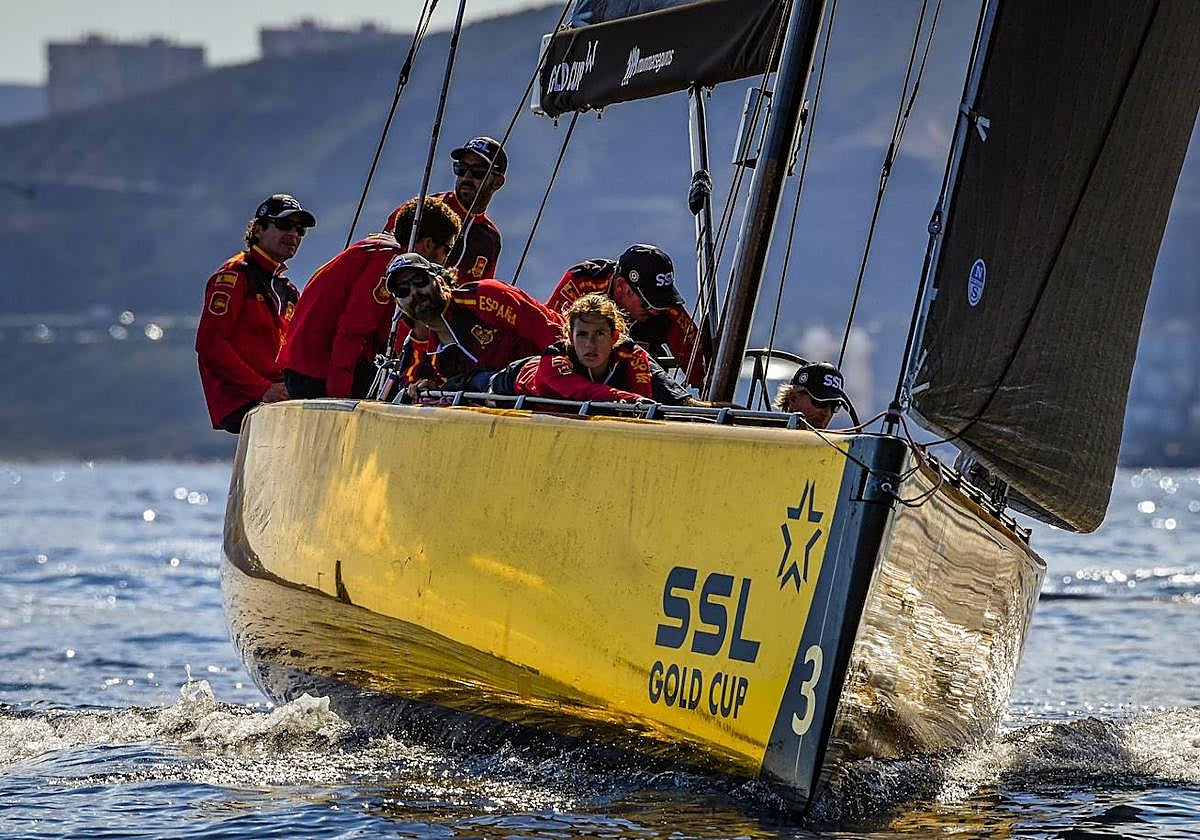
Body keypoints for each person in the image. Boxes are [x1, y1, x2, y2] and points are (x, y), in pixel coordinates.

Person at [280, 196, 461, 399]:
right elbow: (353, 331)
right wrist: (338, 398)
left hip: (310, 363)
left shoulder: (378, 248)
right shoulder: (390, 265)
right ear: (427, 244)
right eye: (447, 250)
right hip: (316, 371)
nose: (445, 260)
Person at [196, 194, 315, 433]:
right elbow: (209, 343)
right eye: (284, 225)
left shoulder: (288, 290)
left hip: (278, 396)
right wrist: (262, 389)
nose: (293, 234)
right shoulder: (234, 276)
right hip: (247, 401)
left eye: (300, 229)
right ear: (258, 230)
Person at [383, 253, 562, 394]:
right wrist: (429, 388)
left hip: (555, 384)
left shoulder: (485, 296)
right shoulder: (425, 350)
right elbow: (414, 385)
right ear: (399, 304)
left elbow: (550, 333)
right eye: (402, 290)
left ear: (439, 281)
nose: (414, 292)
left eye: (419, 281)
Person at [546, 244, 710, 393]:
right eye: (647, 303)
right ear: (620, 287)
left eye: (661, 303)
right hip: (571, 383)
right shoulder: (582, 282)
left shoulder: (667, 308)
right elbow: (547, 335)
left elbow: (698, 357)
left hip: (636, 387)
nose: (655, 311)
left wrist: (707, 385)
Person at [385, 136, 505, 285]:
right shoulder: (423, 209)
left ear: (497, 182)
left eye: (478, 172)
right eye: (461, 169)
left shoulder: (491, 239)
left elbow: (482, 291)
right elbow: (381, 255)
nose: (466, 177)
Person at [494, 294, 654, 403]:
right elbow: (583, 391)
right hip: (508, 386)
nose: (590, 344)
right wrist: (629, 399)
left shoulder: (632, 355)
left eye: (599, 334)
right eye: (582, 334)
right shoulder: (553, 362)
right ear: (570, 338)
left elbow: (643, 402)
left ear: (614, 337)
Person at [775, 361, 849, 430]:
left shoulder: (838, 439)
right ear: (793, 398)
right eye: (820, 402)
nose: (827, 413)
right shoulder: (770, 435)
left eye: (834, 406)